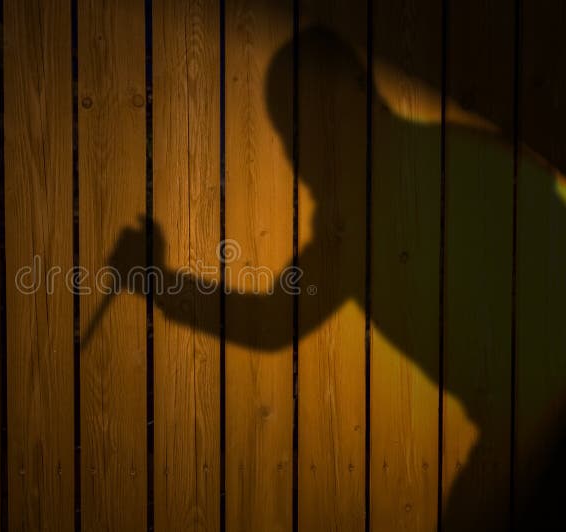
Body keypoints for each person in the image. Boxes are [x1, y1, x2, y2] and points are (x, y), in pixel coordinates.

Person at [108, 26, 566, 530]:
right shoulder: (468, 150)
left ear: (354, 95)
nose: (294, 154)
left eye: (302, 127)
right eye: (287, 136)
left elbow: (272, 323)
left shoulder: (367, 206)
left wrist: (152, 279)